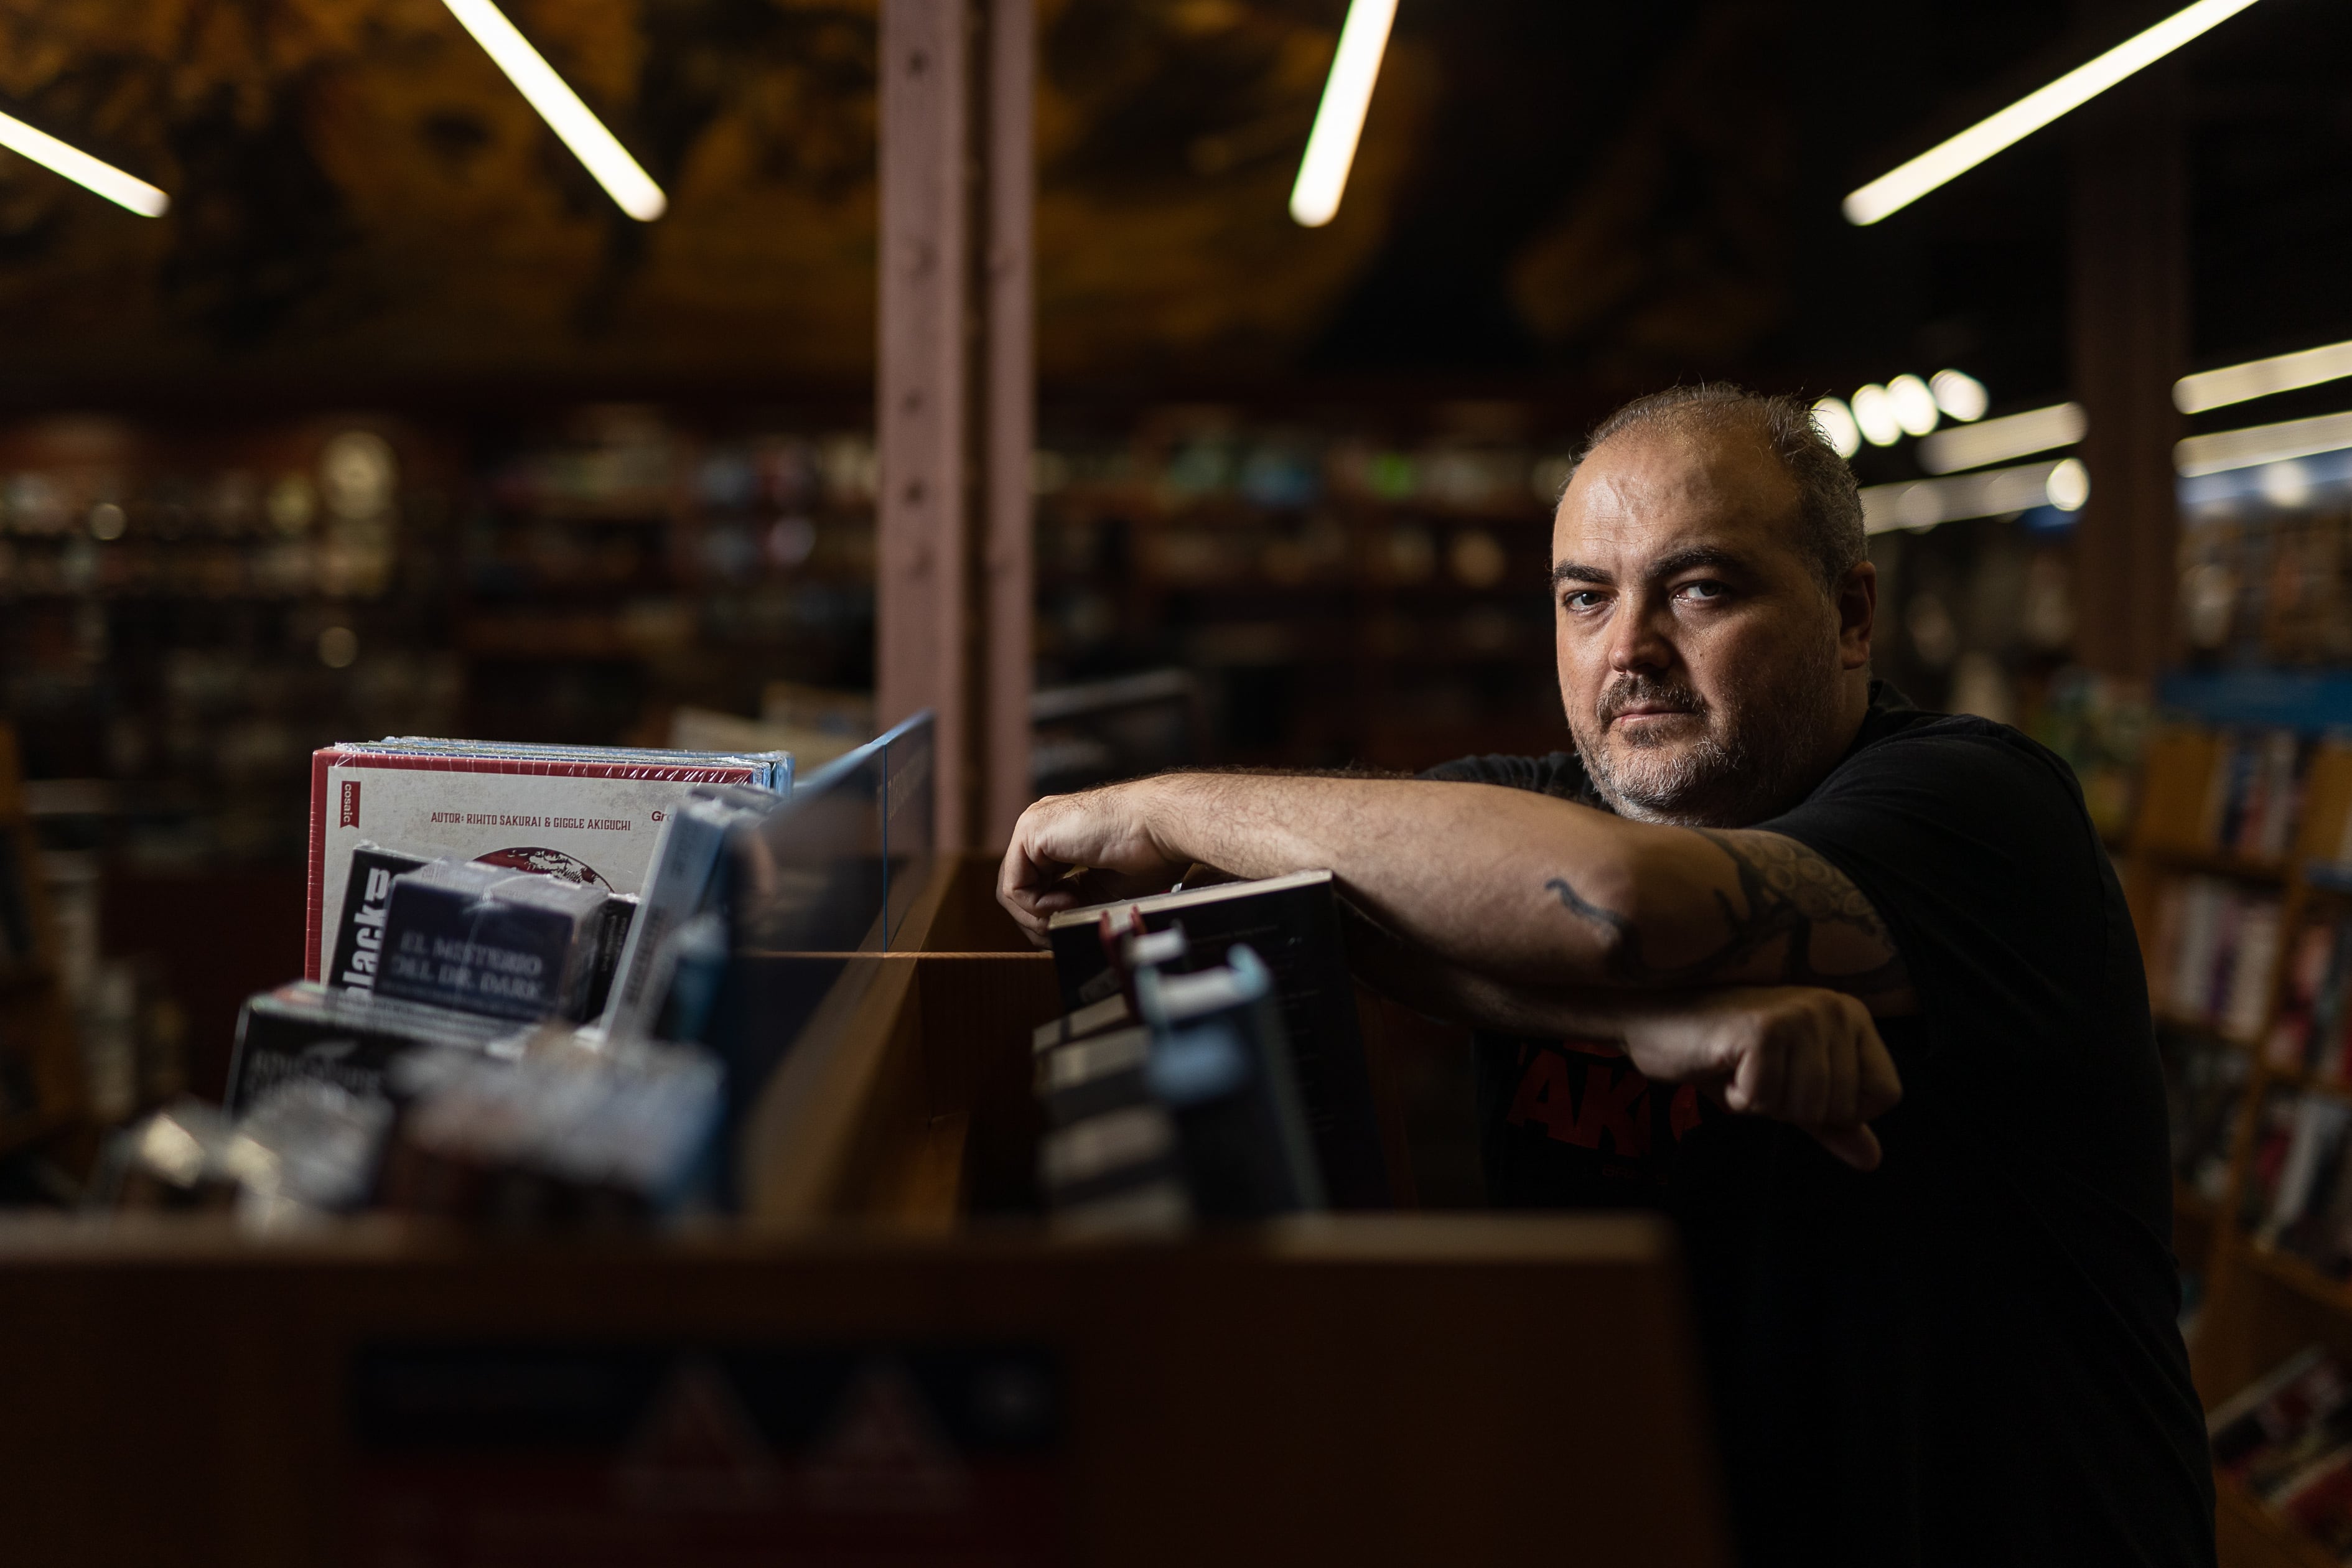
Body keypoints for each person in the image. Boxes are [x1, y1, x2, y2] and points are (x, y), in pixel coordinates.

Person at [997, 385, 2215, 1567]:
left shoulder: (1984, 811)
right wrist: (1649, 1025)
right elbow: (1297, 920)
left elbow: (1624, 908)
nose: (1629, 649)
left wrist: (1156, 804)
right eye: (1586, 598)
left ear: (1851, 615)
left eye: (1700, 587)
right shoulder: (1516, 820)